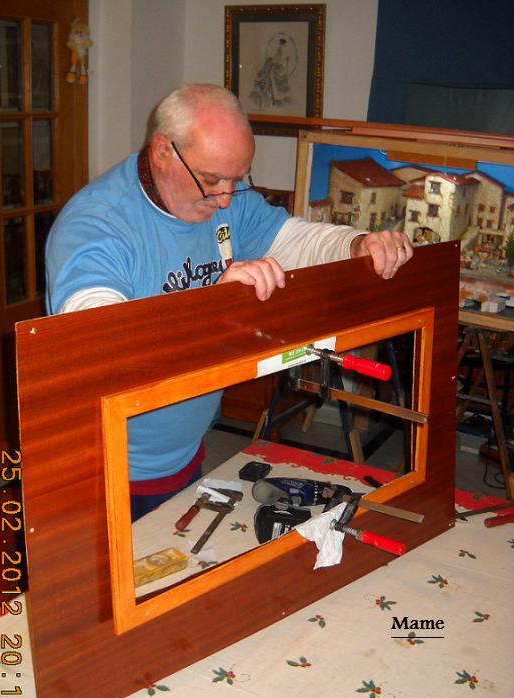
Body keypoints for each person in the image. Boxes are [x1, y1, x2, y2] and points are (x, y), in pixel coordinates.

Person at [46, 83, 413, 521]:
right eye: (211, 180)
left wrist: (357, 245)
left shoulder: (224, 201)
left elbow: (292, 238)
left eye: (237, 180)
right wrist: (213, 306)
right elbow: (95, 345)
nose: (225, 198)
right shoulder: (95, 225)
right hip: (102, 467)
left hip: (183, 451)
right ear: (162, 151)